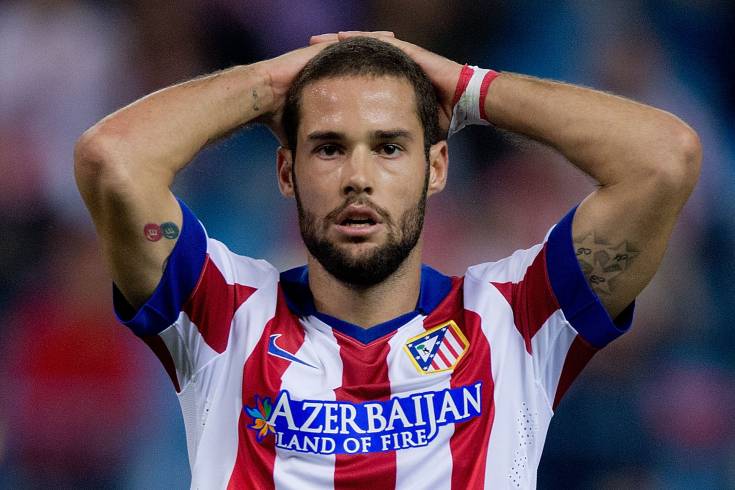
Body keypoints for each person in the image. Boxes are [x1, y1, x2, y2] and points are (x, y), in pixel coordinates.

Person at [74, 31, 701, 489]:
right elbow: (111, 159)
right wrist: (272, 82)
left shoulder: (514, 319)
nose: (359, 177)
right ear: (287, 172)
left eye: (390, 147)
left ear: (436, 167)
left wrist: (468, 88)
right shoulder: (223, 311)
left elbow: (664, 159)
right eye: (328, 148)